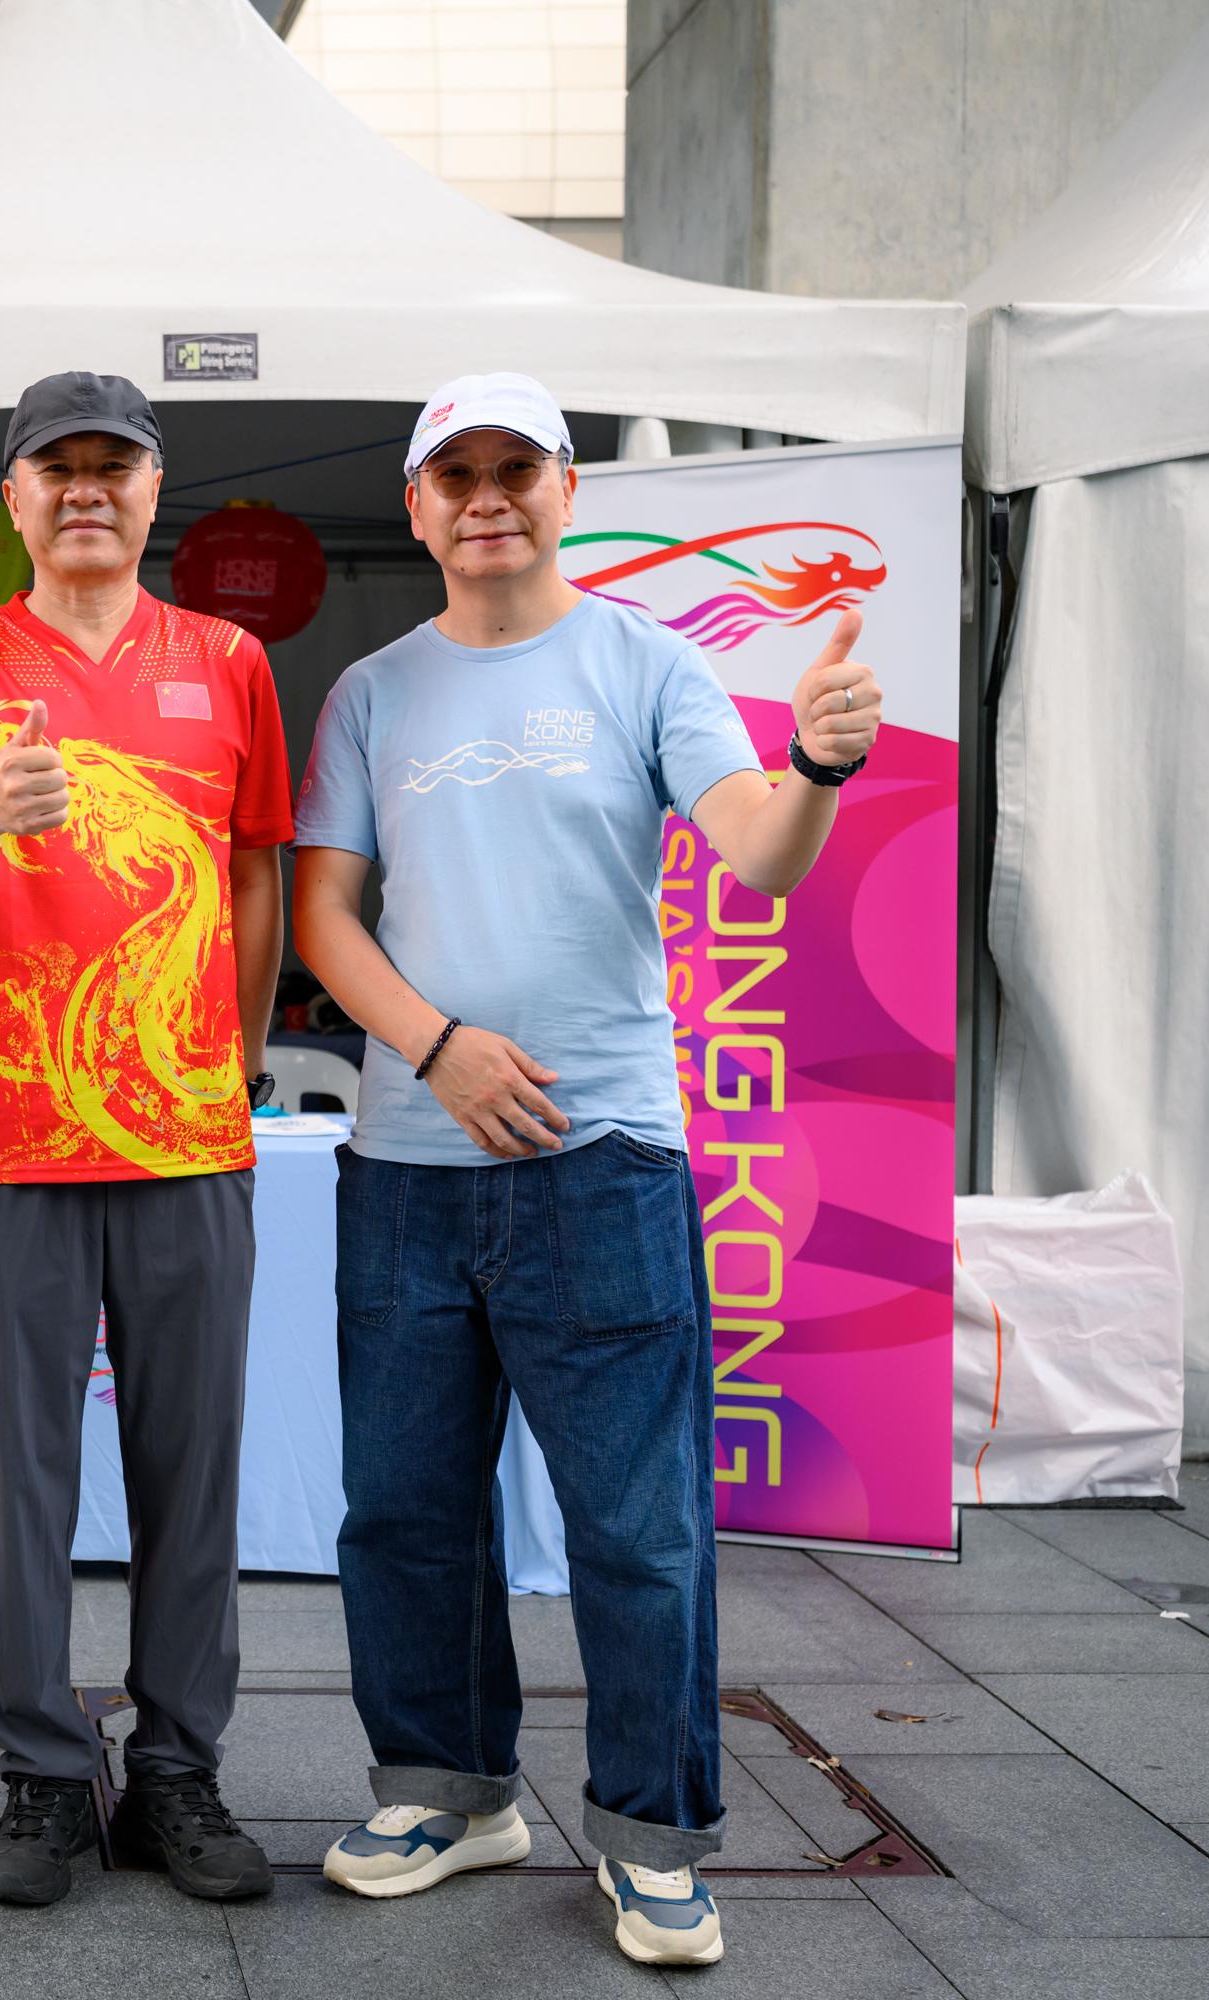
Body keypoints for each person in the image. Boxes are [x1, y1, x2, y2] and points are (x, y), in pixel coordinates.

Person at [290, 373, 884, 1968]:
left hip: (602, 1156)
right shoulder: (370, 694)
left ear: (567, 490)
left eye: (518, 468)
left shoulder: (649, 663)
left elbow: (755, 840)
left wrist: (818, 768)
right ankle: (447, 1789)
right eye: (454, 473)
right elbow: (323, 917)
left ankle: (650, 1837)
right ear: (414, 507)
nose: (487, 496)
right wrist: (440, 1047)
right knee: (404, 1512)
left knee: (636, 1526)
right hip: (407, 1164)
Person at [0, 372, 293, 1908]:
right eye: (59, 468)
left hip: (189, 1141)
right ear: (15, 497)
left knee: (195, 1469)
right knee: (16, 1482)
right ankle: (45, 1778)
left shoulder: (228, 660)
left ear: (156, 490)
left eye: (117, 465)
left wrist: (235, 1059)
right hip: (9, 1141)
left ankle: (176, 1771)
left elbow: (257, 873)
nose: (88, 489)